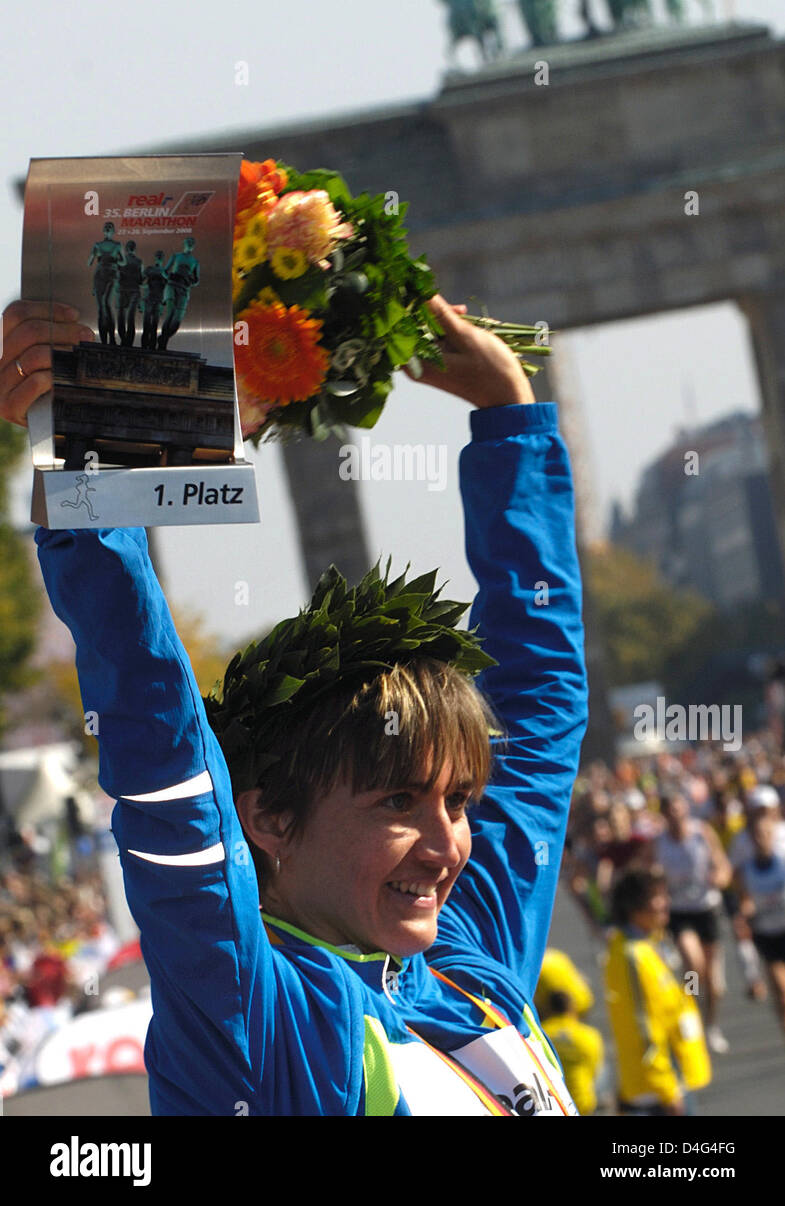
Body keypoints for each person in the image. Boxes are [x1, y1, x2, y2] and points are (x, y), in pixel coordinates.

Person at [2, 294, 588, 1117]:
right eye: (397, 801)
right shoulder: (258, 1015)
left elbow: (537, 714)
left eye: (457, 800)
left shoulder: (465, 952)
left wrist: (508, 419)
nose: (449, 842)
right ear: (267, 820)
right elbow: (160, 740)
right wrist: (89, 462)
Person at [604, 867, 711, 1116]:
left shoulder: (656, 941)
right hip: (657, 1087)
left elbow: (683, 999)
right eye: (657, 897)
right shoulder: (629, 956)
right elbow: (640, 1026)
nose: (665, 903)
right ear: (635, 906)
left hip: (675, 1072)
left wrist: (692, 971)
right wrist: (667, 1088)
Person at [655, 788, 732, 1053]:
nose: (676, 815)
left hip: (706, 908)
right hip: (680, 911)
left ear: (685, 809)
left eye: (679, 809)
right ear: (664, 815)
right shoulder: (659, 842)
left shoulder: (702, 833)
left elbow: (722, 865)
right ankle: (691, 1009)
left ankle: (711, 1024)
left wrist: (719, 877)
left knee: (713, 981)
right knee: (692, 962)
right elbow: (649, 870)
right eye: (670, 811)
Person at [735, 812, 785, 1039]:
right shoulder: (746, 870)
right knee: (781, 991)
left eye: (766, 833)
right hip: (767, 933)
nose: (762, 838)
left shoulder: (782, 862)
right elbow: (745, 902)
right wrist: (745, 913)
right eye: (757, 834)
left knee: (700, 972)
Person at [541, 989, 604, 1116]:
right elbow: (594, 1070)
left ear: (549, 1009)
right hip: (583, 1104)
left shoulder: (542, 1034)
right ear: (571, 1008)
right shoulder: (589, 1035)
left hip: (553, 1105)